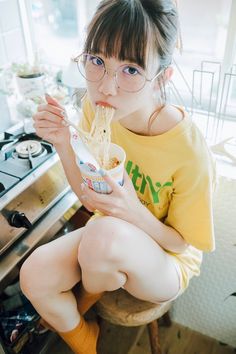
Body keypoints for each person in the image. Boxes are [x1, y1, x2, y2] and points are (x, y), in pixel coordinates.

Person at [19, 1, 216, 353]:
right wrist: (64, 142)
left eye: (130, 69)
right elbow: (91, 197)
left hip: (165, 260)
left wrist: (131, 211)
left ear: (162, 76)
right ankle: (85, 341)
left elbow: (182, 243)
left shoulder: (188, 149)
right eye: (97, 61)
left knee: (102, 233)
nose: (107, 88)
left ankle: (87, 296)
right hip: (106, 240)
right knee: (33, 275)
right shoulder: (95, 112)